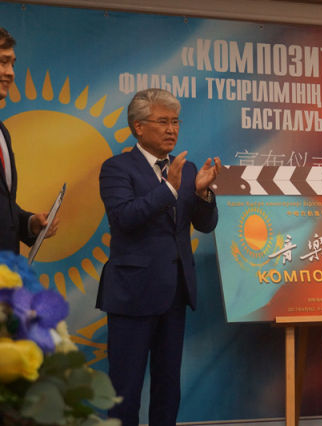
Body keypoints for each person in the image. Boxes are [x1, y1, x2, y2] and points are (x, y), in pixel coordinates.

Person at [96, 88, 221, 426]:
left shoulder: (187, 169)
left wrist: (203, 194)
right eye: (163, 122)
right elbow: (124, 217)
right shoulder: (116, 168)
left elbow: (205, 225)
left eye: (175, 122)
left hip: (175, 292)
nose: (172, 130)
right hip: (132, 294)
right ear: (138, 127)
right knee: (124, 390)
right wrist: (168, 189)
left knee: (168, 387)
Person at [0, 27, 58, 253]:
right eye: (3, 62)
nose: (10, 73)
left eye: (12, 64)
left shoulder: (2, 132)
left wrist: (28, 223)